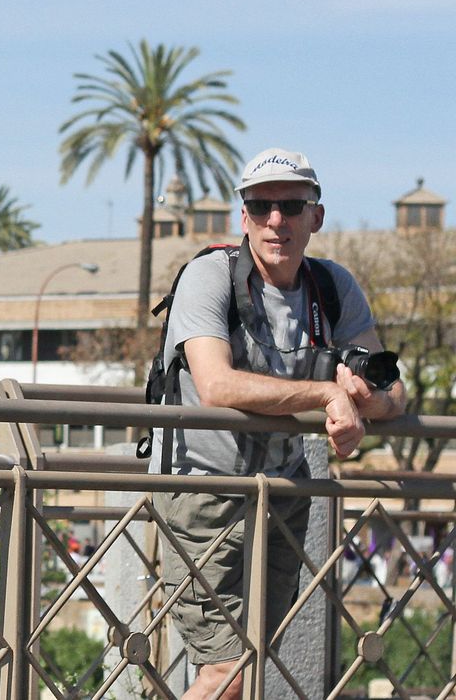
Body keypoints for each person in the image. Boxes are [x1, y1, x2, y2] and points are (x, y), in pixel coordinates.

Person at [152, 147, 405, 700]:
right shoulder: (208, 275)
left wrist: (363, 398)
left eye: (291, 205)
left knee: (252, 660)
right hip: (205, 493)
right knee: (230, 669)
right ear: (242, 216)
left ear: (316, 216)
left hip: (284, 495)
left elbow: (393, 391)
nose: (276, 220)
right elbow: (217, 385)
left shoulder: (332, 286)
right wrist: (323, 391)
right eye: (260, 205)